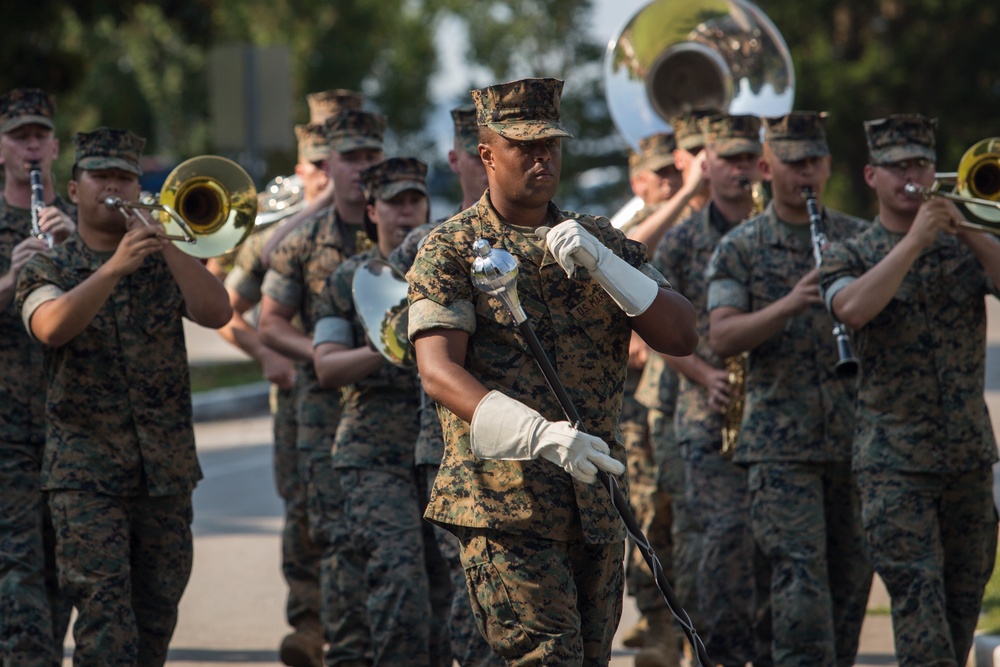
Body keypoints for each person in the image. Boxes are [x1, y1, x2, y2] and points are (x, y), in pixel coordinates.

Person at [407, 77, 697, 666]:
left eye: (551, 145)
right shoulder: (451, 249)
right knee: (548, 659)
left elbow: (682, 335)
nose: (542, 157)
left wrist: (610, 267)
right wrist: (537, 434)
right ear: (486, 154)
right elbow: (438, 371)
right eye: (524, 146)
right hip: (504, 505)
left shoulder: (597, 238)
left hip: (594, 501)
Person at [15, 126, 231, 664]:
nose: (113, 186)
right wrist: (113, 267)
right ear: (74, 190)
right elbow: (50, 327)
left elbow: (217, 312)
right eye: (101, 175)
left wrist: (169, 244)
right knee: (104, 625)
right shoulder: (50, 265)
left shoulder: (162, 261)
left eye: (125, 177)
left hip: (166, 474)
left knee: (155, 622)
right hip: (85, 479)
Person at [821, 114, 1000, 667]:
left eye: (921, 163)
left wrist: (966, 226)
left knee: (961, 611)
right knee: (919, 606)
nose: (911, 176)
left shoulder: (962, 245)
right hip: (893, 466)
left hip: (969, 460)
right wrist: (915, 242)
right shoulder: (850, 250)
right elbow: (850, 308)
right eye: (897, 167)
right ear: (872, 175)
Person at [705, 111, 873, 666]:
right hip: (780, 449)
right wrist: (792, 302)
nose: (806, 173)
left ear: (828, 165)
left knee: (849, 591)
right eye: (793, 162)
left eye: (814, 162)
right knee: (799, 590)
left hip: (858, 443)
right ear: (764, 167)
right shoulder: (741, 246)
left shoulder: (858, 238)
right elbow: (723, 335)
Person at [215, 87, 363, 667]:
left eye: (339, 161)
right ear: (302, 168)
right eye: (318, 165)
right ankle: (309, 624)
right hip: (303, 397)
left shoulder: (376, 213)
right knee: (307, 513)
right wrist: (266, 355)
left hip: (371, 395)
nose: (330, 174)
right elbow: (228, 306)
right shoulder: (281, 230)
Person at [258, 107, 386, 666]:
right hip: (322, 411)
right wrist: (326, 357)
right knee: (331, 536)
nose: (362, 167)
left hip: (394, 411)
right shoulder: (303, 238)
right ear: (328, 165)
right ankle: (332, 640)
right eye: (351, 157)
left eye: (370, 156)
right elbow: (268, 323)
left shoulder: (402, 226)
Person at [312, 156, 445, 665]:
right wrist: (390, 345)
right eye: (394, 203)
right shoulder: (348, 278)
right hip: (374, 456)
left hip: (437, 453)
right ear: (371, 210)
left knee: (447, 595)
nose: (406, 212)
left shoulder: (447, 267)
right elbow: (326, 366)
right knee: (400, 583)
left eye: (416, 200)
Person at [389, 105, 501, 667]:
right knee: (468, 594)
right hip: (452, 447)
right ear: (463, 158)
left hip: (529, 450)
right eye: (480, 153)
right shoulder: (425, 247)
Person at [655, 113, 765, 666]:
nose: (740, 170)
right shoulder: (681, 240)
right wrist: (703, 373)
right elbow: (654, 329)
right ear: (709, 164)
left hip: (776, 410)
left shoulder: (774, 226)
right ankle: (714, 652)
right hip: (706, 414)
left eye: (749, 159)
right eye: (729, 160)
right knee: (720, 537)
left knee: (769, 545)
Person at [627, 109, 713, 661]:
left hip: (727, 392)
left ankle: (703, 628)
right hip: (664, 393)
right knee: (656, 513)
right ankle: (663, 626)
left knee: (708, 524)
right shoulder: (665, 220)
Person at [0, 86, 75, 667]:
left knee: (61, 569)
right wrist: (12, 278)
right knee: (17, 563)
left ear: (53, 147)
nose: (30, 147)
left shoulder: (75, 224)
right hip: (6, 426)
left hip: (71, 424)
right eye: (18, 137)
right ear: (1, 148)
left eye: (38, 137)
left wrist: (76, 258)